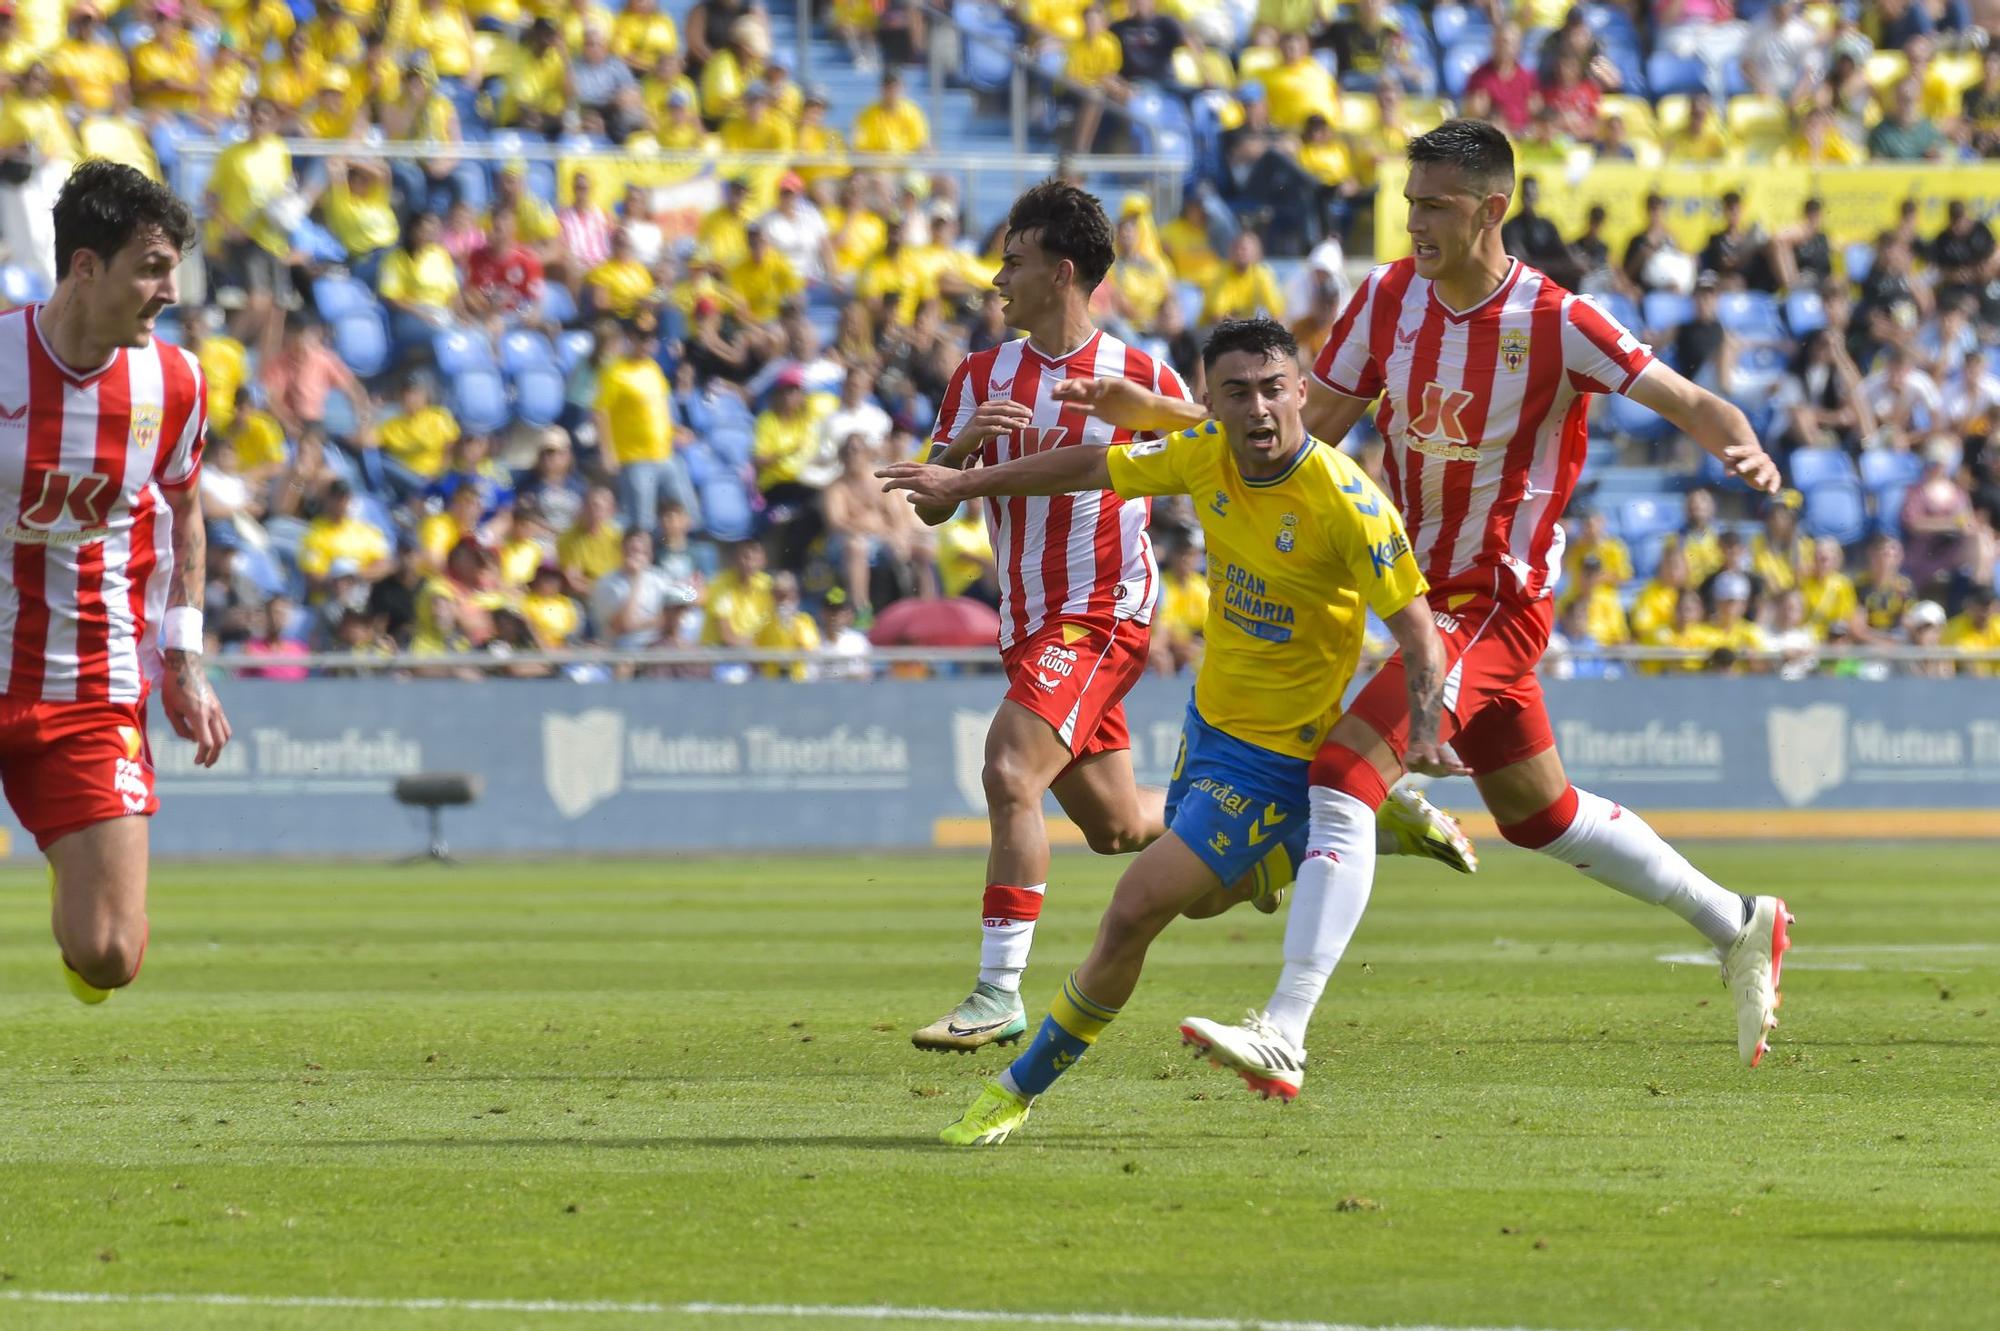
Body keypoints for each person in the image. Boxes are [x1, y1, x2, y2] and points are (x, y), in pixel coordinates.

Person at [1052, 121, 1796, 1084]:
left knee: (1341, 777)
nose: (1415, 223)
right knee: (1540, 813)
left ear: (1494, 209)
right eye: (1409, 204)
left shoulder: (1557, 320)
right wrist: (1165, 421)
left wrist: (1740, 441)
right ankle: (1738, 921)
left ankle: (1286, 1025)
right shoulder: (1387, 299)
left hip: (1492, 601)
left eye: (1436, 205)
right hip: (1412, 587)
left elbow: (1692, 401)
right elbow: (1298, 432)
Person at [906, 182, 1471, 1054]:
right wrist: (960, 448)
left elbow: (1227, 436)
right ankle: (1304, 832)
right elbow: (935, 508)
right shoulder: (980, 376)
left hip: (1098, 615)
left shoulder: (1139, 373)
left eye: (1011, 263)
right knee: (1121, 828)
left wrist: (1153, 417)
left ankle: (996, 991)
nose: (996, 280)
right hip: (1027, 625)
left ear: (1062, 271)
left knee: (1009, 770)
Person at [0, 160, 230, 1004]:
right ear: (85, 266)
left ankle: (75, 888)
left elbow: (186, 514)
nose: (170, 290)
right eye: (152, 267)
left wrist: (184, 657)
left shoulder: (175, 383)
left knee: (107, 954)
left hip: (89, 684)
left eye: (173, 268)